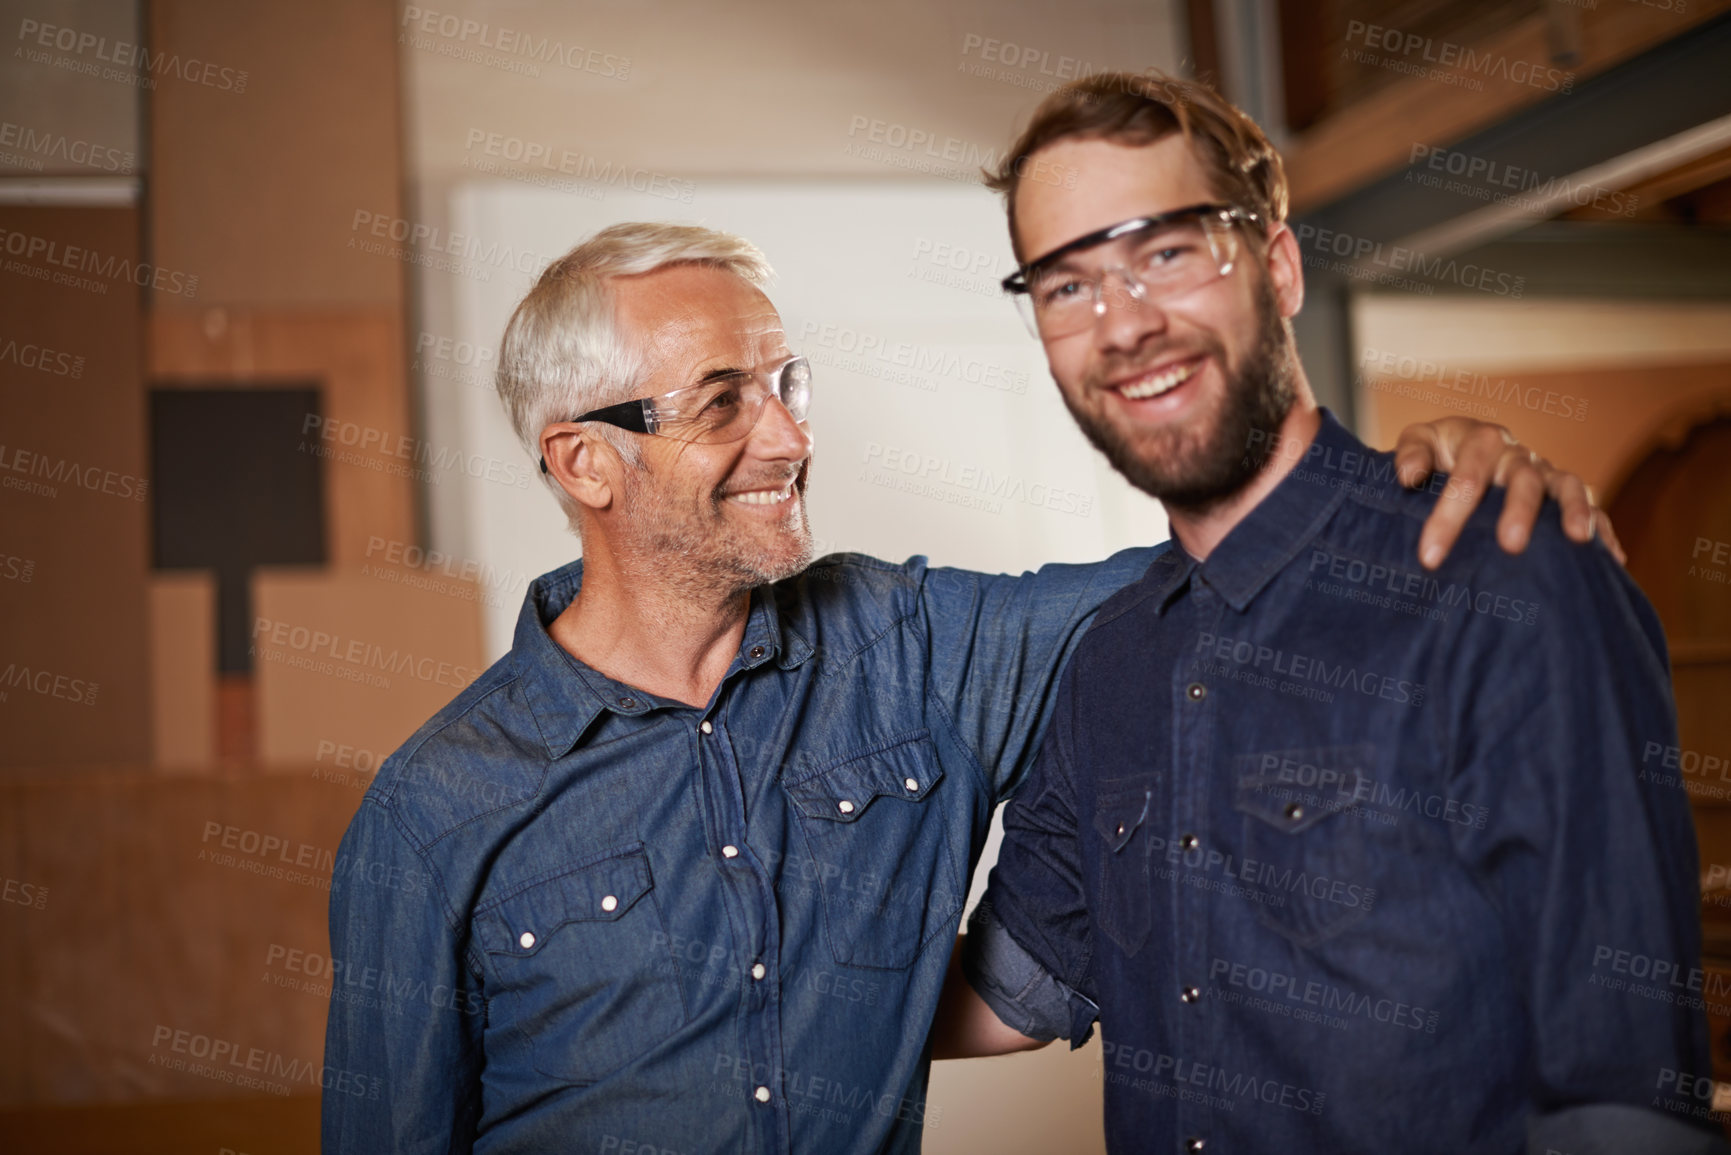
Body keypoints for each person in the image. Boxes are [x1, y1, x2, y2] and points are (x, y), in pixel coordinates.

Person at [321, 221, 1608, 1155]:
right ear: (585, 463)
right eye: (723, 402)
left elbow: (1187, 576)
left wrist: (1418, 488)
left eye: (786, 384)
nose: (789, 436)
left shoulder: (908, 648)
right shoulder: (439, 812)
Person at [936, 71, 1719, 1154]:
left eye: (1165, 252)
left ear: (1280, 265)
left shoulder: (1508, 579)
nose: (1124, 324)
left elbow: (1622, 1099)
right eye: (1069, 287)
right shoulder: (1111, 660)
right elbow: (1015, 986)